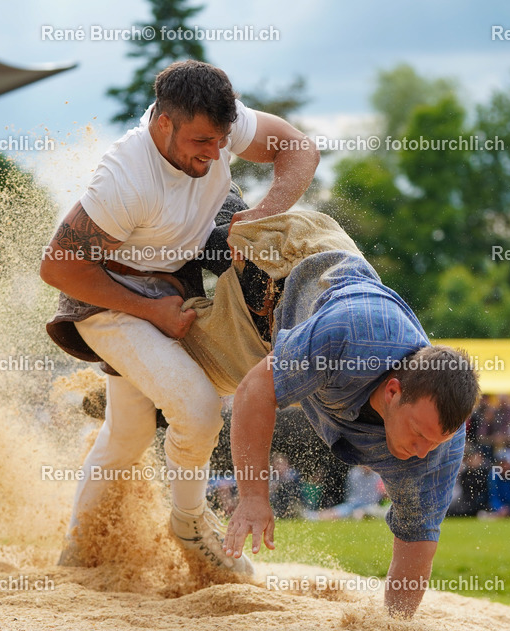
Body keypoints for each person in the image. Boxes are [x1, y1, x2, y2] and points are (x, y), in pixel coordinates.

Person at [39, 60, 319, 574]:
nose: (215, 153)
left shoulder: (217, 127)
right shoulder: (125, 179)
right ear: (163, 122)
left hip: (179, 264)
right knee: (197, 409)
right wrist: (152, 311)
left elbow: (300, 148)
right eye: (202, 142)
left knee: (127, 434)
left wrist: (262, 214)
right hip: (111, 295)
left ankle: (78, 557)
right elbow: (58, 267)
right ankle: (189, 523)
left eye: (222, 140)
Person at [223, 249, 480, 617]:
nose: (422, 451)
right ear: (393, 392)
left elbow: (417, 542)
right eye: (418, 433)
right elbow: (254, 391)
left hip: (320, 351)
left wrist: (394, 627)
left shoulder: (439, 449)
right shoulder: (351, 336)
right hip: (290, 275)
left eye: (435, 441)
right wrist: (252, 497)